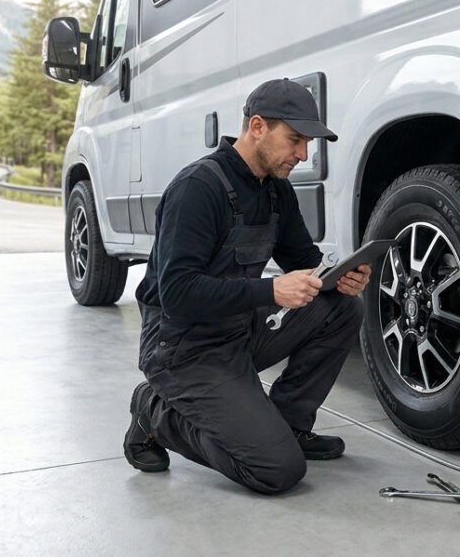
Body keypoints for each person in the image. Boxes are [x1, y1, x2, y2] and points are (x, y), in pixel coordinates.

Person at [123, 78, 370, 495]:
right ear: (257, 127)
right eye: (294, 140)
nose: (303, 154)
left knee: (343, 308)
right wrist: (272, 292)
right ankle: (153, 409)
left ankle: (288, 426)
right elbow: (178, 295)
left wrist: (340, 276)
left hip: (238, 330)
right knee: (276, 471)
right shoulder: (197, 189)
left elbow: (303, 261)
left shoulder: (275, 190)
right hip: (182, 348)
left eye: (306, 143)